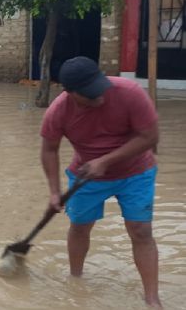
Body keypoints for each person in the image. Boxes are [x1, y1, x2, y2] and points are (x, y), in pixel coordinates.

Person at [40, 57, 161, 309]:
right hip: (86, 176)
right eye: (91, 95)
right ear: (70, 93)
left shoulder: (130, 93)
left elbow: (150, 137)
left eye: (100, 88)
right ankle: (76, 280)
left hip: (136, 171)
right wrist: (54, 192)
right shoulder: (58, 111)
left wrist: (105, 161)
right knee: (80, 227)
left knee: (141, 231)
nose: (101, 98)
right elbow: (49, 150)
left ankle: (152, 298)